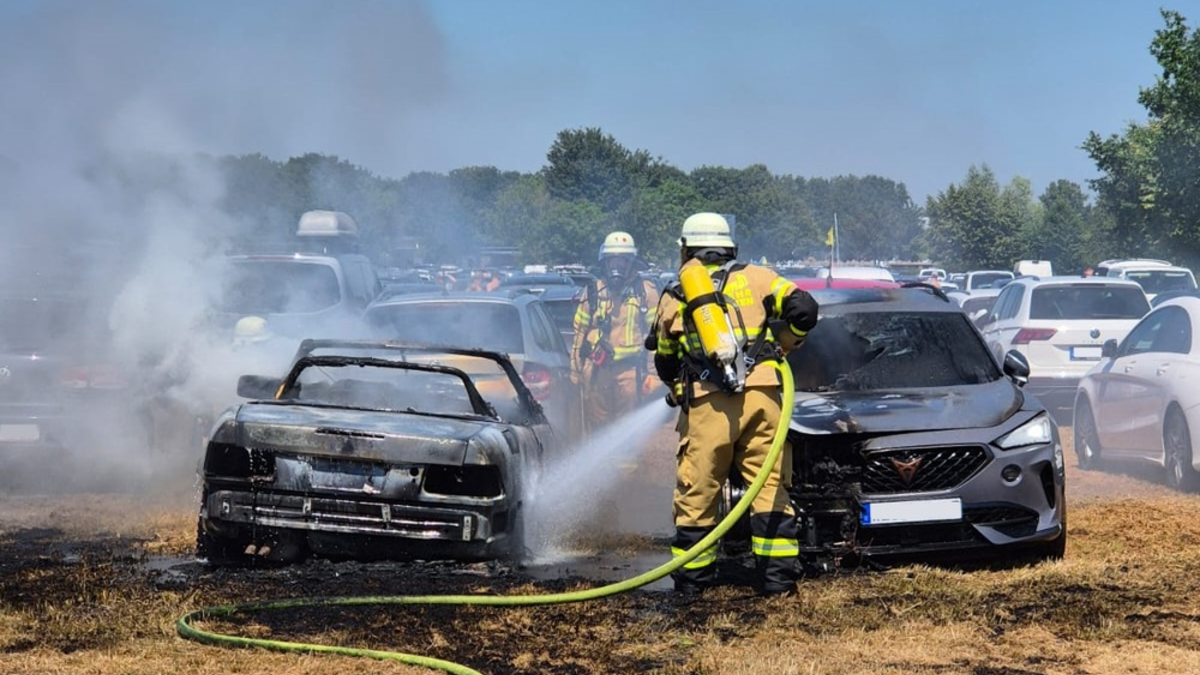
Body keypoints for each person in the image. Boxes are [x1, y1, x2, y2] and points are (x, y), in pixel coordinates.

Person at [651, 212, 818, 596]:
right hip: (764, 400)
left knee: (698, 494)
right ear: (729, 247)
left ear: (687, 249)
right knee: (770, 489)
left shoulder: (677, 292)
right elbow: (805, 310)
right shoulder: (759, 278)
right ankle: (777, 585)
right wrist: (784, 343)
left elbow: (664, 357)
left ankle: (693, 589)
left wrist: (677, 383)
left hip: (709, 405)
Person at [571, 231, 660, 432]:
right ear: (605, 262)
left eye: (623, 261)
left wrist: (654, 376)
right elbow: (579, 334)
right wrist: (576, 373)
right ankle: (600, 464)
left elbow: (657, 338)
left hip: (630, 373)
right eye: (613, 261)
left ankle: (627, 465)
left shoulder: (646, 292)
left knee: (628, 427)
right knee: (596, 425)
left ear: (632, 263)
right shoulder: (593, 292)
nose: (617, 267)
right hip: (596, 370)